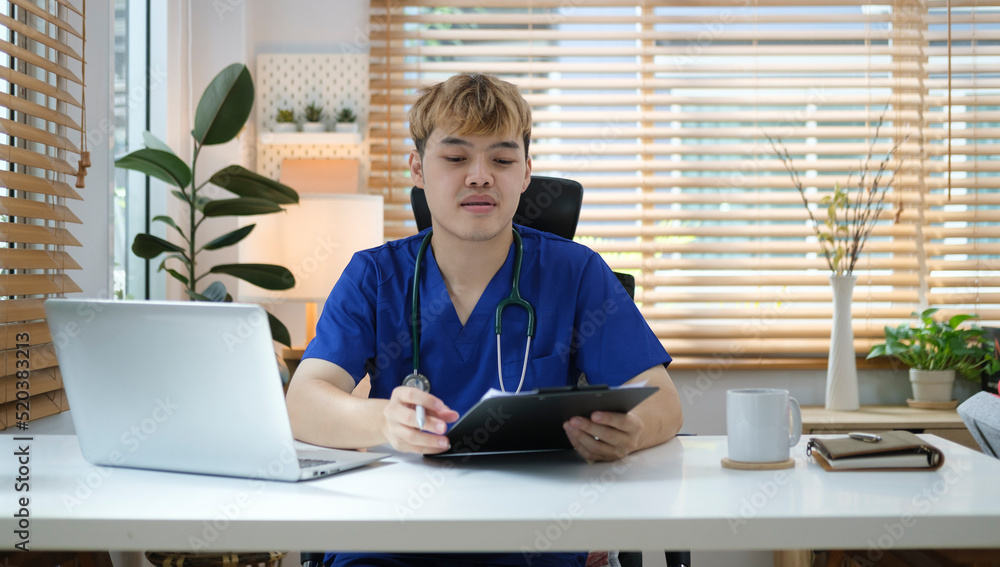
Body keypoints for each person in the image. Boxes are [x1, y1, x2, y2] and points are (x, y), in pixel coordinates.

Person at [285, 73, 683, 567]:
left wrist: (632, 431)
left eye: (501, 159)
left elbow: (662, 400)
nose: (479, 176)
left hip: (534, 535)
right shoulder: (374, 276)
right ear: (417, 168)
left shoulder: (575, 273)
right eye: (455, 158)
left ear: (526, 173)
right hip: (393, 536)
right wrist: (383, 419)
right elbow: (303, 401)